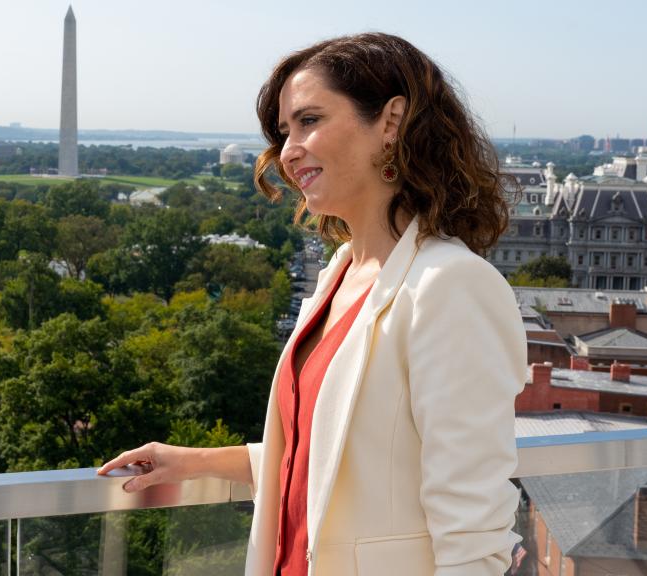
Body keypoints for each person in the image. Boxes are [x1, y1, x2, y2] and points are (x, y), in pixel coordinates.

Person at [98, 32, 526, 576]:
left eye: (309, 121)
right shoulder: (340, 273)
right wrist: (191, 460)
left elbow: (474, 531)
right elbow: (329, 455)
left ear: (391, 123)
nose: (288, 150)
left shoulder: (452, 284)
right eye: (284, 132)